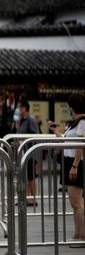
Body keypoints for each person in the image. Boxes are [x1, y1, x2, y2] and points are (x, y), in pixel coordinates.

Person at [50, 93, 85, 246]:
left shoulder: (82, 122)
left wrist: (75, 166)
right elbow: (68, 139)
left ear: (72, 107)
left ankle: (81, 235)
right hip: (71, 161)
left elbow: (79, 144)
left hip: (76, 162)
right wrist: (57, 132)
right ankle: (78, 233)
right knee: (74, 202)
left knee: (76, 202)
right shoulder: (75, 122)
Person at [15, 99, 40, 206]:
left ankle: (33, 198)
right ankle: (27, 198)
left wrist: (24, 141)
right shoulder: (22, 120)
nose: (18, 110)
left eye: (19, 107)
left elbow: (35, 135)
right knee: (26, 176)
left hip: (30, 152)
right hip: (23, 153)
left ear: (25, 108)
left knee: (32, 176)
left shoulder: (31, 119)